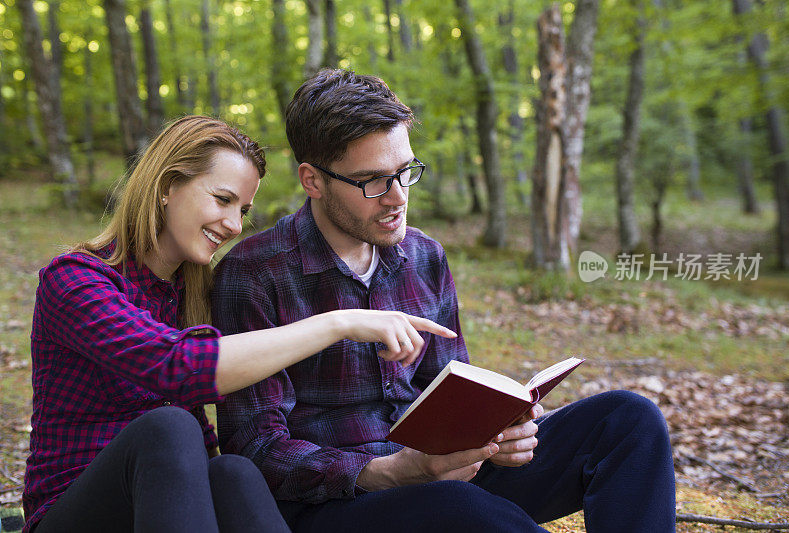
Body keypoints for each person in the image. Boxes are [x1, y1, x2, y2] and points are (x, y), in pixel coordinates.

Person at [211, 70, 677, 533]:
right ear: (313, 180)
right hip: (338, 504)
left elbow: (450, 392)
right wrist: (389, 473)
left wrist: (499, 436)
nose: (397, 197)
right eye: (373, 181)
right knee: (460, 509)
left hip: (442, 477)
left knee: (628, 419)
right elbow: (255, 447)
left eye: (404, 173)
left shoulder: (423, 256)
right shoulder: (254, 273)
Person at [23, 115, 453, 533]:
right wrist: (338, 323)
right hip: (77, 509)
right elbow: (179, 367)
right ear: (168, 187)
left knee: (234, 472)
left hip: (167, 503)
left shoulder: (191, 294)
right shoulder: (75, 280)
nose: (233, 225)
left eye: (243, 210)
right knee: (169, 428)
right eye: (222, 200)